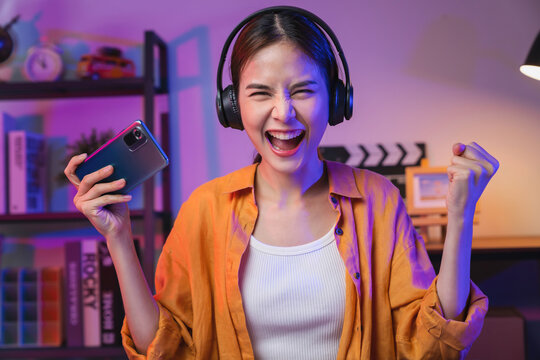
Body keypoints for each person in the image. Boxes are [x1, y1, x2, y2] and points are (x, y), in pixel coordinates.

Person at [64, 6, 499, 360]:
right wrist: (118, 238)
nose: (284, 112)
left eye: (303, 91)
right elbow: (162, 349)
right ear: (232, 107)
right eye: (261, 93)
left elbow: (434, 346)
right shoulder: (206, 208)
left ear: (336, 100)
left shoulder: (378, 199)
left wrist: (459, 215)